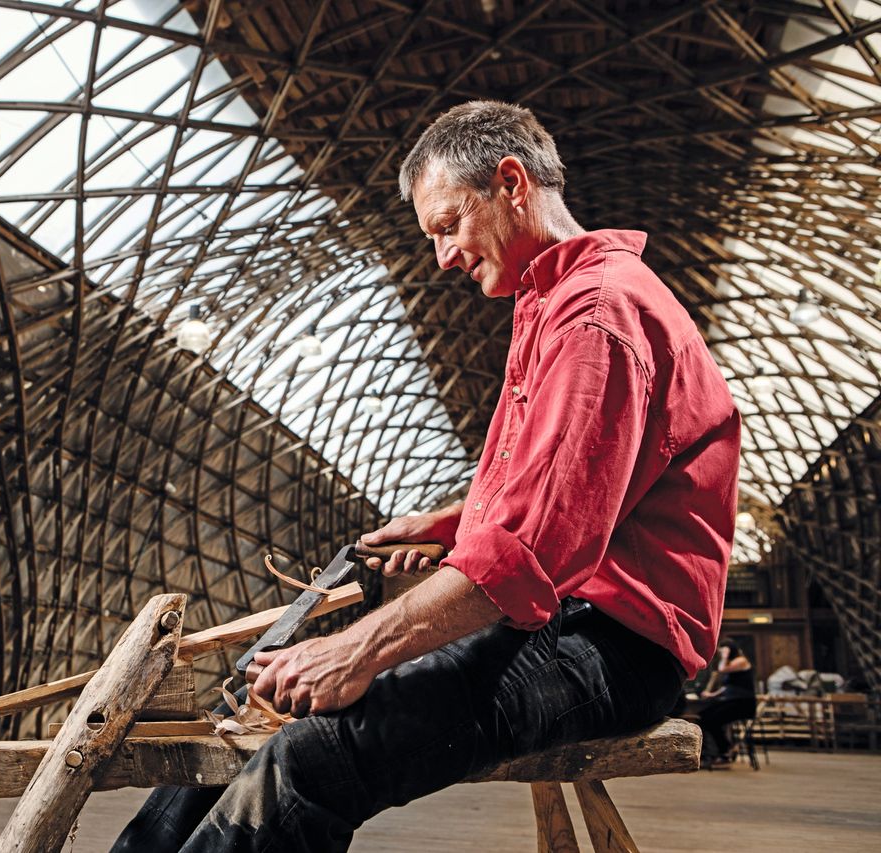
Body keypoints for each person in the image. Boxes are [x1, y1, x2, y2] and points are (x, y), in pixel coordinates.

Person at [111, 100, 741, 852]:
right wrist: (454, 523)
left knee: (316, 758)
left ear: (511, 182)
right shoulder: (552, 302)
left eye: (448, 224)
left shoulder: (594, 318)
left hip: (616, 644)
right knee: (256, 726)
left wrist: (355, 649)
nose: (442, 255)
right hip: (563, 619)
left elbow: (536, 551)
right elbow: (575, 482)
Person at [697, 638, 757, 765]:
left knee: (711, 720)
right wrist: (711, 694)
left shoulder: (741, 660)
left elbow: (722, 669)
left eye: (723, 651)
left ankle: (724, 751)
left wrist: (724, 656)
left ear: (730, 650)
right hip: (732, 701)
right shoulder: (732, 665)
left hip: (743, 703)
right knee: (703, 716)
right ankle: (719, 750)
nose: (721, 654)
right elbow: (727, 687)